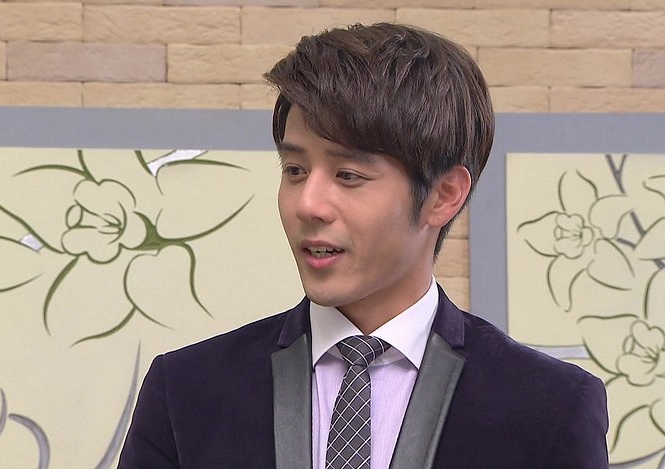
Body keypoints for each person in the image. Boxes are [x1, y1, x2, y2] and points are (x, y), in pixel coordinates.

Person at [118, 23, 609, 468]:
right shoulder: (185, 392)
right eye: (295, 170)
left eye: (348, 175)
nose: (308, 204)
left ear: (444, 195)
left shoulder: (550, 406)